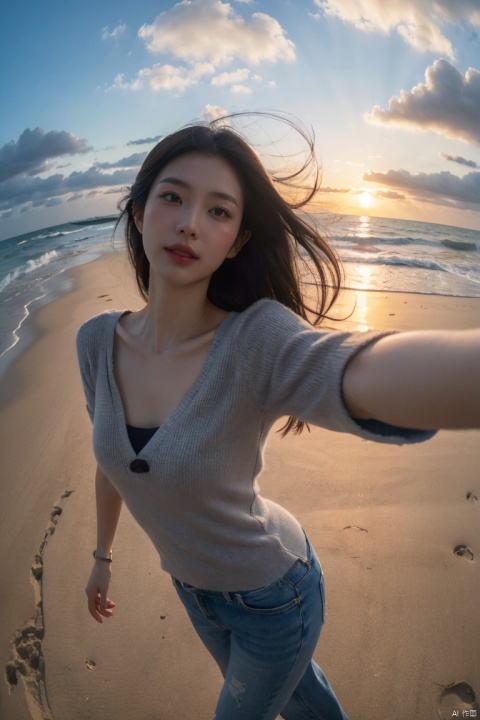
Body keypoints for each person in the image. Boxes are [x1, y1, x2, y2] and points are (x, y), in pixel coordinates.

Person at [76, 113, 479, 720]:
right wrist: (102, 559)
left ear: (237, 239)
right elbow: (108, 461)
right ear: (139, 211)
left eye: (219, 211)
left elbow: (348, 368)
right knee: (301, 698)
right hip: (193, 591)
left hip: (274, 594)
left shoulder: (255, 339)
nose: (190, 222)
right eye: (173, 197)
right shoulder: (94, 342)